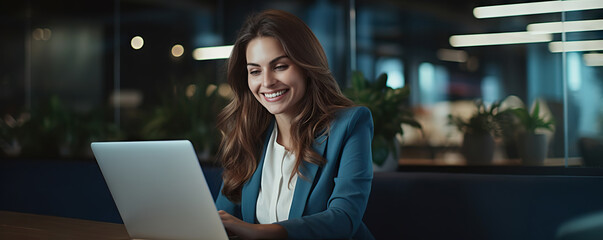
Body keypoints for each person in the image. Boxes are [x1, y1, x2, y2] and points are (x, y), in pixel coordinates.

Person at [215, 9, 375, 240]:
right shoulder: (251, 135)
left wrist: (258, 232)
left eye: (280, 66)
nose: (267, 82)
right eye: (255, 71)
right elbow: (223, 218)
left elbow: (343, 219)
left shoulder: (349, 125)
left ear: (306, 66)